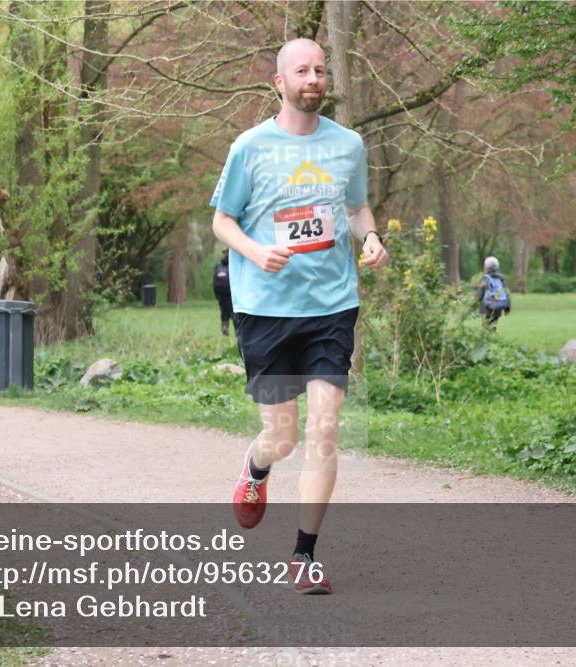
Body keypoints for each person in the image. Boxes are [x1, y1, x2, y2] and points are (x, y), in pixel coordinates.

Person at [210, 38, 388, 594]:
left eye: (320, 70)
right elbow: (222, 221)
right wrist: (255, 251)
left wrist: (373, 238)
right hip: (265, 309)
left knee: (326, 430)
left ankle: (303, 555)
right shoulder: (250, 146)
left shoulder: (348, 144)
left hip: (331, 305)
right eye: (301, 71)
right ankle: (257, 467)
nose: (313, 78)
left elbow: (356, 207)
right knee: (282, 438)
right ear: (279, 83)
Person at [476, 256, 511, 327]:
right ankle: (491, 335)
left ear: (486, 267)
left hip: (487, 307)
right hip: (497, 305)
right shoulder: (501, 279)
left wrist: (476, 300)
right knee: (494, 324)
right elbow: (505, 292)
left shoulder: (485, 278)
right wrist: (507, 306)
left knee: (486, 325)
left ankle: (487, 336)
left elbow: (480, 294)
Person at [212, 249, 234, 336]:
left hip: (220, 293)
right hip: (231, 293)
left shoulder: (218, 265)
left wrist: (216, 295)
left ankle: (225, 327)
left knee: (224, 311)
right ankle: (237, 331)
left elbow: (214, 281)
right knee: (234, 312)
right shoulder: (234, 263)